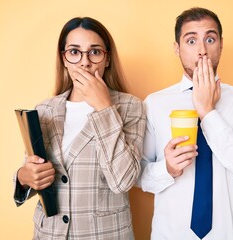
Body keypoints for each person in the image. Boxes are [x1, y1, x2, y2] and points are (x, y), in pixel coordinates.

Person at [137, 7, 233, 240]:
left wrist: (207, 112)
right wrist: (166, 169)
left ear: (220, 45)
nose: (202, 50)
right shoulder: (155, 104)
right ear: (177, 48)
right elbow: (138, 174)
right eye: (191, 41)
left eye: (210, 39)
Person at [13, 17, 146, 239]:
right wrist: (23, 177)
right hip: (49, 233)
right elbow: (32, 170)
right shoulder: (45, 109)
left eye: (94, 52)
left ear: (107, 59)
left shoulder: (131, 106)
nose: (85, 62)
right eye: (74, 52)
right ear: (64, 59)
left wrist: (104, 108)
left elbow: (123, 181)